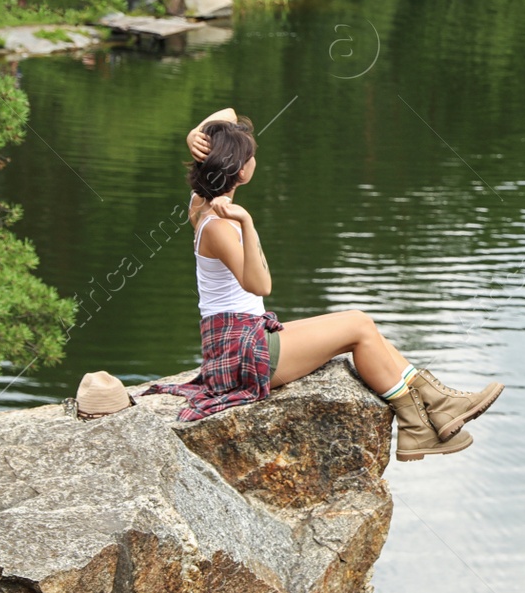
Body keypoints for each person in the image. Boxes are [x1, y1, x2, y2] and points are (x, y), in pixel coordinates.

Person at [148, 107, 502, 461]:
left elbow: (229, 113)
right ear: (242, 171)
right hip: (242, 355)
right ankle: (416, 424)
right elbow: (260, 285)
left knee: (363, 326)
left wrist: (195, 132)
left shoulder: (200, 205)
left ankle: (434, 409)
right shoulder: (222, 226)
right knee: (359, 326)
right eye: (252, 155)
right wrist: (247, 222)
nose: (257, 158)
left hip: (236, 343)